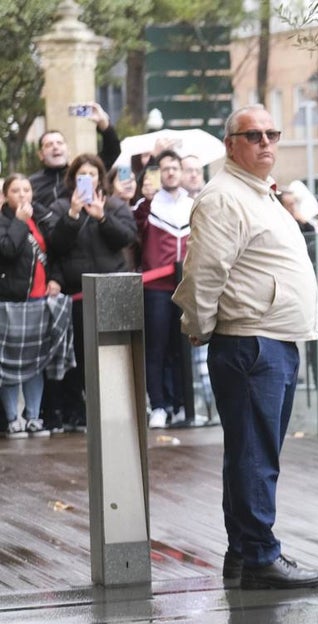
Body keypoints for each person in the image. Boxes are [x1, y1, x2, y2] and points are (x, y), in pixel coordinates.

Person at [172, 105, 318, 590]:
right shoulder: (223, 198)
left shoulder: (259, 193)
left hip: (270, 338)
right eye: (253, 135)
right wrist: (199, 324)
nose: (265, 142)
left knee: (251, 453)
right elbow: (204, 274)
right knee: (255, 455)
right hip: (252, 341)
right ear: (230, 143)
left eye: (272, 133)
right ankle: (259, 555)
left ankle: (243, 552)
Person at [47, 155, 138, 433]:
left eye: (93, 173)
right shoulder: (61, 206)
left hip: (111, 289)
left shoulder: (113, 205)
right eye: (82, 174)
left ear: (101, 178)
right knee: (80, 355)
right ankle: (78, 411)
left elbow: (127, 238)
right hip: (78, 292)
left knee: (114, 351)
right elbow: (55, 246)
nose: (88, 178)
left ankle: (116, 408)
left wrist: (102, 218)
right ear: (73, 178)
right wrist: (73, 215)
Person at [0, 174, 66, 438]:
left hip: (40, 298)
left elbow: (57, 253)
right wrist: (18, 222)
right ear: (6, 195)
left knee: (35, 361)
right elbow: (7, 250)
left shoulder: (42, 217)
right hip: (11, 299)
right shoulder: (6, 220)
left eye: (26, 189)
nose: (23, 195)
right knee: (10, 362)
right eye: (16, 190)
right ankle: (12, 417)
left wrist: (56, 279)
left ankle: (34, 416)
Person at [134, 149, 193, 428]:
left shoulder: (193, 204)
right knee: (156, 348)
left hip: (185, 286)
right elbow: (133, 231)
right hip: (155, 287)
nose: (170, 172)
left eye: (175, 167)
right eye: (165, 168)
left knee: (182, 348)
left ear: (182, 172)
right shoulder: (147, 205)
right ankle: (158, 405)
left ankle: (182, 404)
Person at [30, 103, 122, 210]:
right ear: (41, 155)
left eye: (59, 143)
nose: (55, 147)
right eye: (49, 145)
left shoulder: (82, 173)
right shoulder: (32, 184)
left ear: (68, 150)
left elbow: (112, 152)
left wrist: (103, 124)